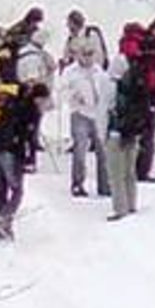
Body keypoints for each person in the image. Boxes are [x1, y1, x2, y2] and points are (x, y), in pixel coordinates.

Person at [104, 42, 155, 220]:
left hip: (117, 132)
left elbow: (105, 109)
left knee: (116, 173)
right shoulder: (138, 82)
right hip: (134, 130)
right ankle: (131, 205)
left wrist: (103, 134)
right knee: (130, 170)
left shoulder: (114, 86)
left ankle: (119, 209)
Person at [0, 81, 50, 241]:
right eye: (44, 100)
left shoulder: (12, 104)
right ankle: (4, 220)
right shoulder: (31, 111)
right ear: (38, 98)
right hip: (12, 152)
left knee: (2, 190)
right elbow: (29, 138)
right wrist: (30, 160)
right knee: (17, 191)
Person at [58, 39, 113, 198]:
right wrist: (73, 97)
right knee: (80, 150)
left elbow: (106, 90)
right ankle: (77, 183)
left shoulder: (99, 71)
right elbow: (61, 90)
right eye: (85, 54)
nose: (88, 58)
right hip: (79, 113)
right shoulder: (70, 72)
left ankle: (105, 184)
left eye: (91, 54)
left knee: (102, 150)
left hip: (98, 114)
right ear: (78, 55)